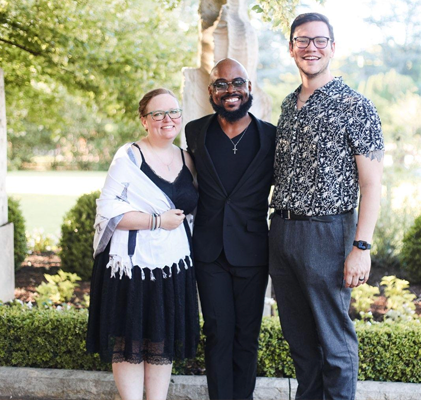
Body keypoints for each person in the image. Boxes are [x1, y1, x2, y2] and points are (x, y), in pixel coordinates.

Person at [269, 13, 384, 400]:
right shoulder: (288, 105)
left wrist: (361, 247)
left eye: (320, 41)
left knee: (334, 344)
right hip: (282, 232)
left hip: (328, 233)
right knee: (300, 343)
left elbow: (372, 185)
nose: (311, 48)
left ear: (333, 48)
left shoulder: (356, 106)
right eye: (302, 41)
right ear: (291, 48)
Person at [86, 88, 200, 400]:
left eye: (173, 112)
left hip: (173, 265)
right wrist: (156, 221)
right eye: (157, 113)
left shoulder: (188, 160)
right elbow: (107, 210)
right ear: (144, 121)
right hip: (132, 268)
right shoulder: (129, 156)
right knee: (130, 342)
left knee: (161, 339)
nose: (167, 119)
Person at [185, 58, 276, 400]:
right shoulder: (195, 131)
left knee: (246, 336)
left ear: (249, 88)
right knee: (218, 333)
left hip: (253, 250)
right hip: (209, 251)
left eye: (238, 82)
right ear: (211, 92)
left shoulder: (271, 137)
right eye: (221, 84)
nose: (230, 90)